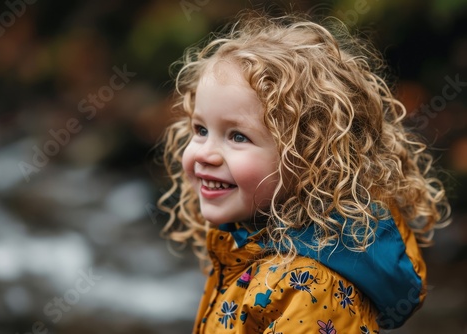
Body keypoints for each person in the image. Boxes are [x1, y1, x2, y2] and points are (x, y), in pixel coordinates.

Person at [156, 9, 450, 333]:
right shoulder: (243, 239)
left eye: (238, 136)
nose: (205, 153)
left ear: (308, 157)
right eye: (200, 129)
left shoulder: (309, 287)